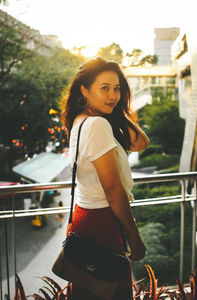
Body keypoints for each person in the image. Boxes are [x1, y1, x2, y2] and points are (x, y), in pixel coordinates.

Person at [60, 57, 150, 299]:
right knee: (110, 291)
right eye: (105, 88)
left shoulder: (80, 121)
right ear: (84, 89)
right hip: (103, 223)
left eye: (117, 88)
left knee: (91, 291)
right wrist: (135, 236)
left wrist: (116, 111)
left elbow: (141, 142)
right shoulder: (97, 125)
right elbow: (113, 190)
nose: (113, 95)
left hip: (84, 218)